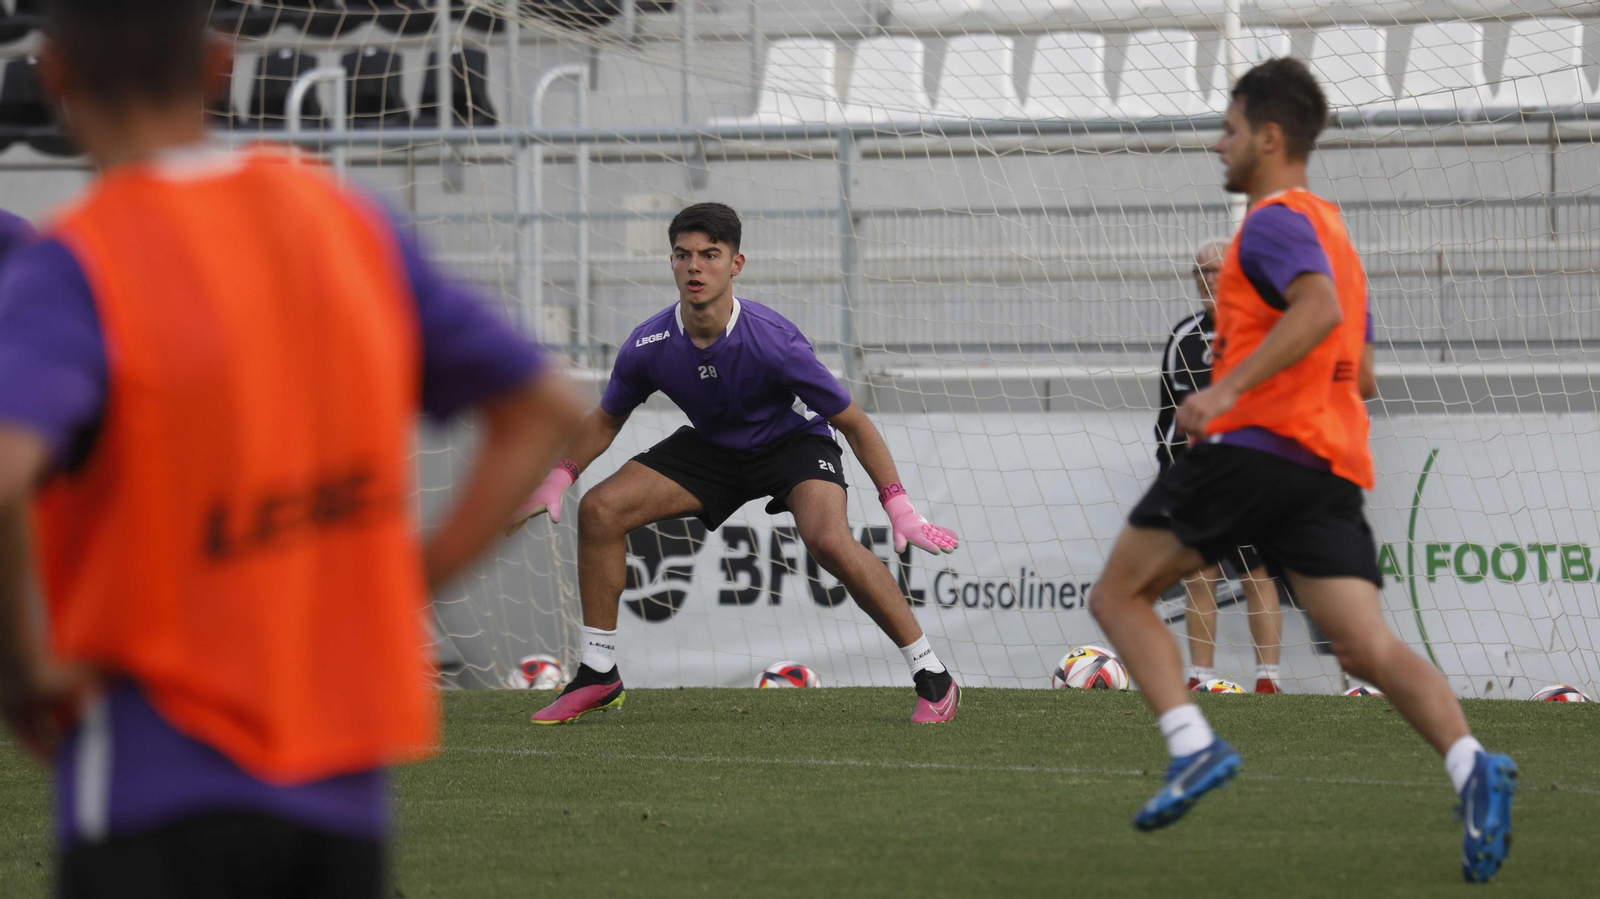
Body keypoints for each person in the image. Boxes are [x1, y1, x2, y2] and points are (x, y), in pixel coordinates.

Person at [0, 2, 585, 896]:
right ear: (218, 67)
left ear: (55, 82)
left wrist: (27, 666)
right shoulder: (343, 223)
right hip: (337, 785)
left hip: (149, 772)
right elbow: (544, 405)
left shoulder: (76, 264)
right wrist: (407, 578)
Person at [1087, 58, 1516, 883]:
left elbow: (1315, 313)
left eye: (1230, 128)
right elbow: (1363, 367)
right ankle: (1471, 765)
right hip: (1326, 466)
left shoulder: (1274, 222)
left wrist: (1228, 389)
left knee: (1116, 594)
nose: (1220, 144)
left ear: (1269, 137)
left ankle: (1193, 742)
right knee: (1364, 647)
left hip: (1255, 448)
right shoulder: (1334, 233)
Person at [508, 202, 963, 724]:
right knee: (600, 509)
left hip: (793, 444)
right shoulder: (648, 343)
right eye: (683, 255)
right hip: (715, 448)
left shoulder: (775, 340)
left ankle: (933, 676)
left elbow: (855, 423)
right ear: (671, 262)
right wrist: (558, 474)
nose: (694, 267)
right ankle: (598, 674)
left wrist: (898, 506)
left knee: (829, 539)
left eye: (709, 255)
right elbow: (607, 418)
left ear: (736, 264)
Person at [1157, 240, 1285, 694]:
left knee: (1256, 573)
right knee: (1200, 574)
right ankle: (1200, 676)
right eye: (1201, 272)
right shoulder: (1183, 338)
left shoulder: (1264, 334)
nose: (1209, 279)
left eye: (1217, 271)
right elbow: (1167, 417)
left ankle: (1267, 680)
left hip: (1249, 478)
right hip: (1198, 482)